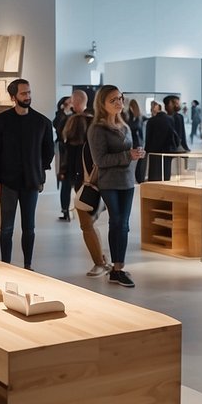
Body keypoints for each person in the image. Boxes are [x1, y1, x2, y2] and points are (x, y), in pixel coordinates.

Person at [0, 78, 55, 269]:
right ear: (13, 97)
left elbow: (48, 152)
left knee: (29, 227)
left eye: (29, 92)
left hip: (31, 182)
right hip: (7, 182)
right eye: (23, 93)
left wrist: (40, 173)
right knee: (6, 227)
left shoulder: (42, 122)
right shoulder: (0, 122)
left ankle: (27, 265)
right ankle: (5, 265)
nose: (28, 96)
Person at [88, 84, 145, 287]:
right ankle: (116, 269)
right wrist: (127, 155)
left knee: (124, 225)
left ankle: (119, 267)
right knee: (117, 222)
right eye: (113, 100)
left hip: (127, 181)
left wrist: (136, 155)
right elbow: (100, 160)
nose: (119, 102)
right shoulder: (97, 129)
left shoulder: (124, 126)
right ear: (102, 104)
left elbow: (127, 154)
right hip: (110, 183)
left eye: (120, 98)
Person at [63, 90, 110, 276]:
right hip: (94, 183)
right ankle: (101, 260)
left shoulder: (77, 133)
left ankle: (100, 262)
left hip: (86, 184)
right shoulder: (94, 132)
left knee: (87, 225)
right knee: (90, 224)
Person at [144, 94, 187, 181]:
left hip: (160, 151)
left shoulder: (175, 117)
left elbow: (179, 134)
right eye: (175, 103)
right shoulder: (171, 118)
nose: (177, 105)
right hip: (167, 150)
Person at [52, 94, 71, 220]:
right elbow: (59, 128)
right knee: (64, 179)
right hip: (63, 149)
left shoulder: (72, 116)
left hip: (67, 149)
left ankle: (67, 209)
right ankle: (65, 210)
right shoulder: (60, 116)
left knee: (67, 181)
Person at [124, 97, 147, 183]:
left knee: (134, 163)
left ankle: (136, 179)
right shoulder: (138, 117)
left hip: (134, 143)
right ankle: (136, 179)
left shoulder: (134, 118)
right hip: (138, 142)